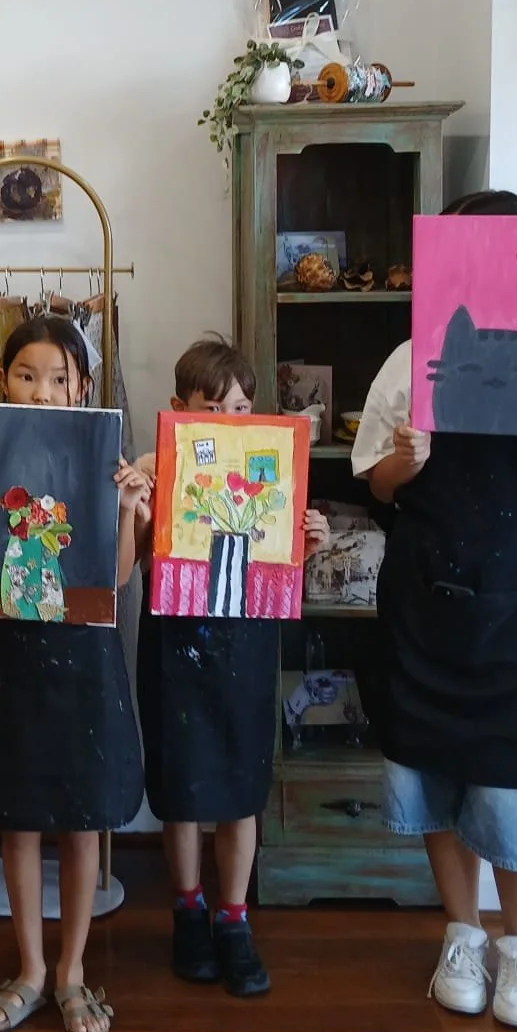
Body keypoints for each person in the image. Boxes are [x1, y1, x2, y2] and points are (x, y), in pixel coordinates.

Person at [353, 190, 517, 1031]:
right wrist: (407, 457)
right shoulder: (408, 358)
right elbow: (378, 484)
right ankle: (462, 934)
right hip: (428, 600)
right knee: (436, 769)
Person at [0, 314, 147, 1032]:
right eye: (27, 375)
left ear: (83, 386)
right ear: (3, 382)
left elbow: (116, 579)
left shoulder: (105, 460)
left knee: (81, 815)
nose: (43, 389)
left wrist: (125, 508)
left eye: (59, 378)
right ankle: (30, 968)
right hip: (10, 661)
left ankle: (71, 970)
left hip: (85, 665)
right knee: (20, 816)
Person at [132, 336, 329, 997]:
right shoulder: (155, 466)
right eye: (212, 405)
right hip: (175, 643)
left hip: (246, 645)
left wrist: (307, 539)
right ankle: (189, 908)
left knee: (242, 784)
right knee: (183, 785)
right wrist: (140, 498)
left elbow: (283, 556)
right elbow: (133, 557)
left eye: (241, 405)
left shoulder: (273, 471)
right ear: (178, 408)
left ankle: (234, 918)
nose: (229, 416)